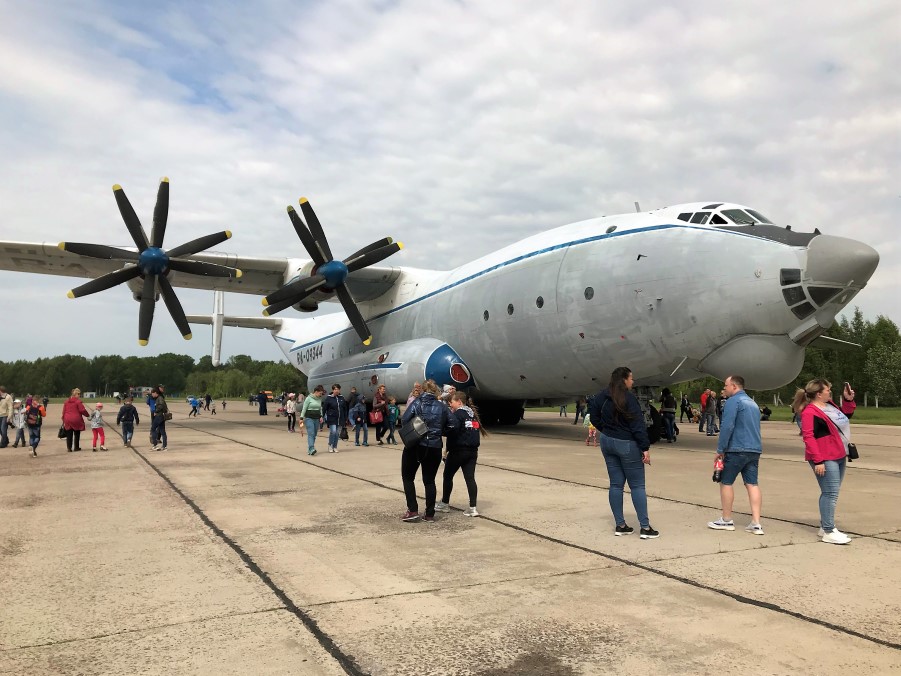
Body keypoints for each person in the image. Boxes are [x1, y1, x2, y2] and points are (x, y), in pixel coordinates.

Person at [588, 367, 659, 539]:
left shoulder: (601, 397)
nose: (632, 382)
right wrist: (645, 447)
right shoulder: (629, 399)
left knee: (616, 484)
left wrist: (605, 430)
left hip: (607, 441)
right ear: (624, 380)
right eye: (631, 379)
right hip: (626, 443)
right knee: (637, 485)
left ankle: (620, 525)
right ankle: (645, 527)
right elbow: (637, 425)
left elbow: (593, 417)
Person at [794, 380, 857, 545]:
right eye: (828, 390)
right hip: (824, 457)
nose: (830, 392)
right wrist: (818, 460)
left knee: (832, 492)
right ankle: (828, 530)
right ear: (818, 394)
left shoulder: (831, 406)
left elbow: (845, 416)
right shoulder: (810, 412)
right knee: (830, 493)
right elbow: (808, 437)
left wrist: (848, 400)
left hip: (839, 454)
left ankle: (825, 525)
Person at [707, 375, 764, 535]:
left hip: (737, 448)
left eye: (726, 385)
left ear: (734, 386)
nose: (724, 389)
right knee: (752, 484)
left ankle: (726, 520)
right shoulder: (752, 402)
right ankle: (756, 522)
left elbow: (727, 426)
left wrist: (720, 449)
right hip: (754, 449)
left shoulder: (733, 402)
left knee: (725, 481)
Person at [400, 379, 456, 522]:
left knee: (408, 477)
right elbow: (453, 424)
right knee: (429, 481)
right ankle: (430, 514)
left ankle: (412, 510)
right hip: (434, 446)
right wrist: (441, 431)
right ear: (436, 391)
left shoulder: (417, 402)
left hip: (416, 445)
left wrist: (417, 427)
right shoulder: (442, 406)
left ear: (423, 390)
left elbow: (405, 419)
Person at [435, 391, 484, 517]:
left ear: (459, 402)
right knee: (470, 478)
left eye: (451, 403)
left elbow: (452, 429)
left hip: (458, 451)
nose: (450, 405)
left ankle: (445, 503)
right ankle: (472, 508)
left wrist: (441, 432)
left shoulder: (458, 414)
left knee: (447, 475)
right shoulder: (472, 414)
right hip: (472, 452)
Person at [321, 384, 347, 453]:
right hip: (332, 418)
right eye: (335, 389)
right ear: (333, 390)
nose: (336, 391)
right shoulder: (329, 398)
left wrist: (345, 418)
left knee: (337, 433)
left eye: (338, 389)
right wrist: (322, 416)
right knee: (333, 432)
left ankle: (335, 446)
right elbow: (324, 408)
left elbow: (345, 409)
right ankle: (330, 445)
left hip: (340, 418)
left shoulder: (342, 398)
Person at [300, 385, 324, 455]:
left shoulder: (319, 399)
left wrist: (321, 416)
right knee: (311, 433)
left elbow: (320, 408)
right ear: (316, 392)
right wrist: (301, 418)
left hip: (317, 418)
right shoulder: (308, 398)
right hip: (309, 418)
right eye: (320, 393)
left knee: (314, 434)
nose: (321, 395)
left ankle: (310, 449)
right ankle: (311, 448)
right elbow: (304, 408)